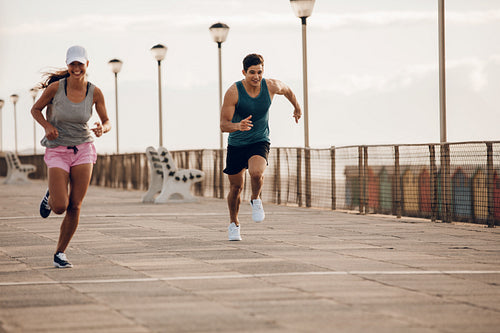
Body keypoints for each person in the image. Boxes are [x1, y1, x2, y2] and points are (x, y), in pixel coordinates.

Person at [31, 45, 111, 268]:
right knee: (60, 207)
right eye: (72, 64)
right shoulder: (56, 88)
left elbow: (107, 121)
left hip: (83, 148)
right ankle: (51, 197)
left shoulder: (95, 92)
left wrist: (102, 129)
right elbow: (35, 109)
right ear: (68, 65)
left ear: (87, 64)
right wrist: (47, 126)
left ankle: (60, 253)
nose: (76, 68)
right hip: (57, 149)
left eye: (80, 63)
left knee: (75, 205)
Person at [220, 53, 301, 241]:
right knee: (235, 187)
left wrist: (297, 107)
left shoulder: (271, 85)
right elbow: (223, 125)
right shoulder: (234, 91)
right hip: (237, 143)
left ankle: (256, 198)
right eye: (251, 73)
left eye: (259, 72)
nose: (256, 76)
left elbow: (288, 90)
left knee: (256, 173)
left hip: (259, 140)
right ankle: (234, 223)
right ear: (244, 72)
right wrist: (237, 126)